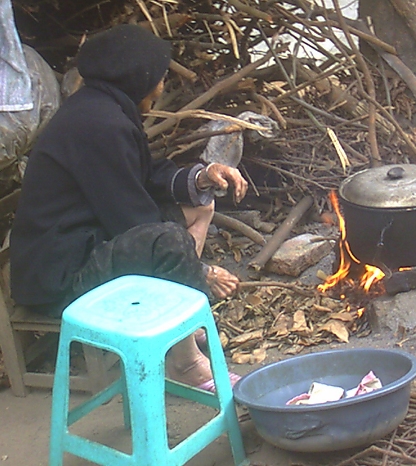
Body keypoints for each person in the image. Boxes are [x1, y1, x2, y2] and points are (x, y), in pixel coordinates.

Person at [10, 24, 248, 391]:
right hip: (61, 279)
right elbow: (131, 219)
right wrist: (200, 271)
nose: (161, 86)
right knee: (168, 241)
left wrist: (203, 177)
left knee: (200, 208)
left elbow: (145, 175)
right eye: (160, 78)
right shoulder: (99, 125)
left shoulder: (101, 109)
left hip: (82, 244)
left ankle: (177, 320)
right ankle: (183, 361)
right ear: (139, 78)